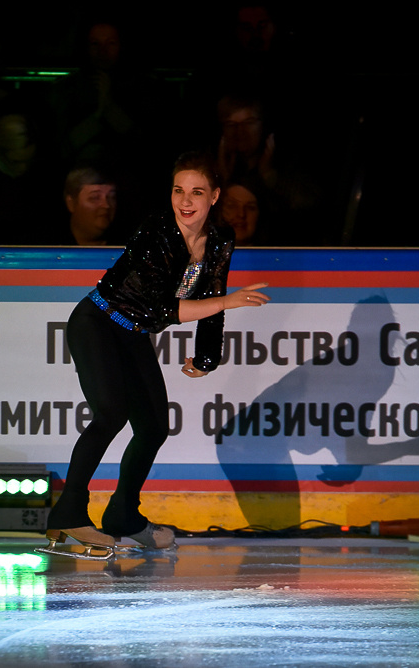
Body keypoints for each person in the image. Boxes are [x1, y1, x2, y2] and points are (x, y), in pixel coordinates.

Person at [41, 152, 269, 557]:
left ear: (214, 196)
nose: (186, 201)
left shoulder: (220, 238)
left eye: (196, 192)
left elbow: (212, 291)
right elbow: (161, 309)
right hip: (97, 323)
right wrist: (227, 303)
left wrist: (206, 355)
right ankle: (69, 511)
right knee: (111, 413)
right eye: (179, 190)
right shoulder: (157, 231)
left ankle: (123, 514)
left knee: (153, 427)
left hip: (133, 334)